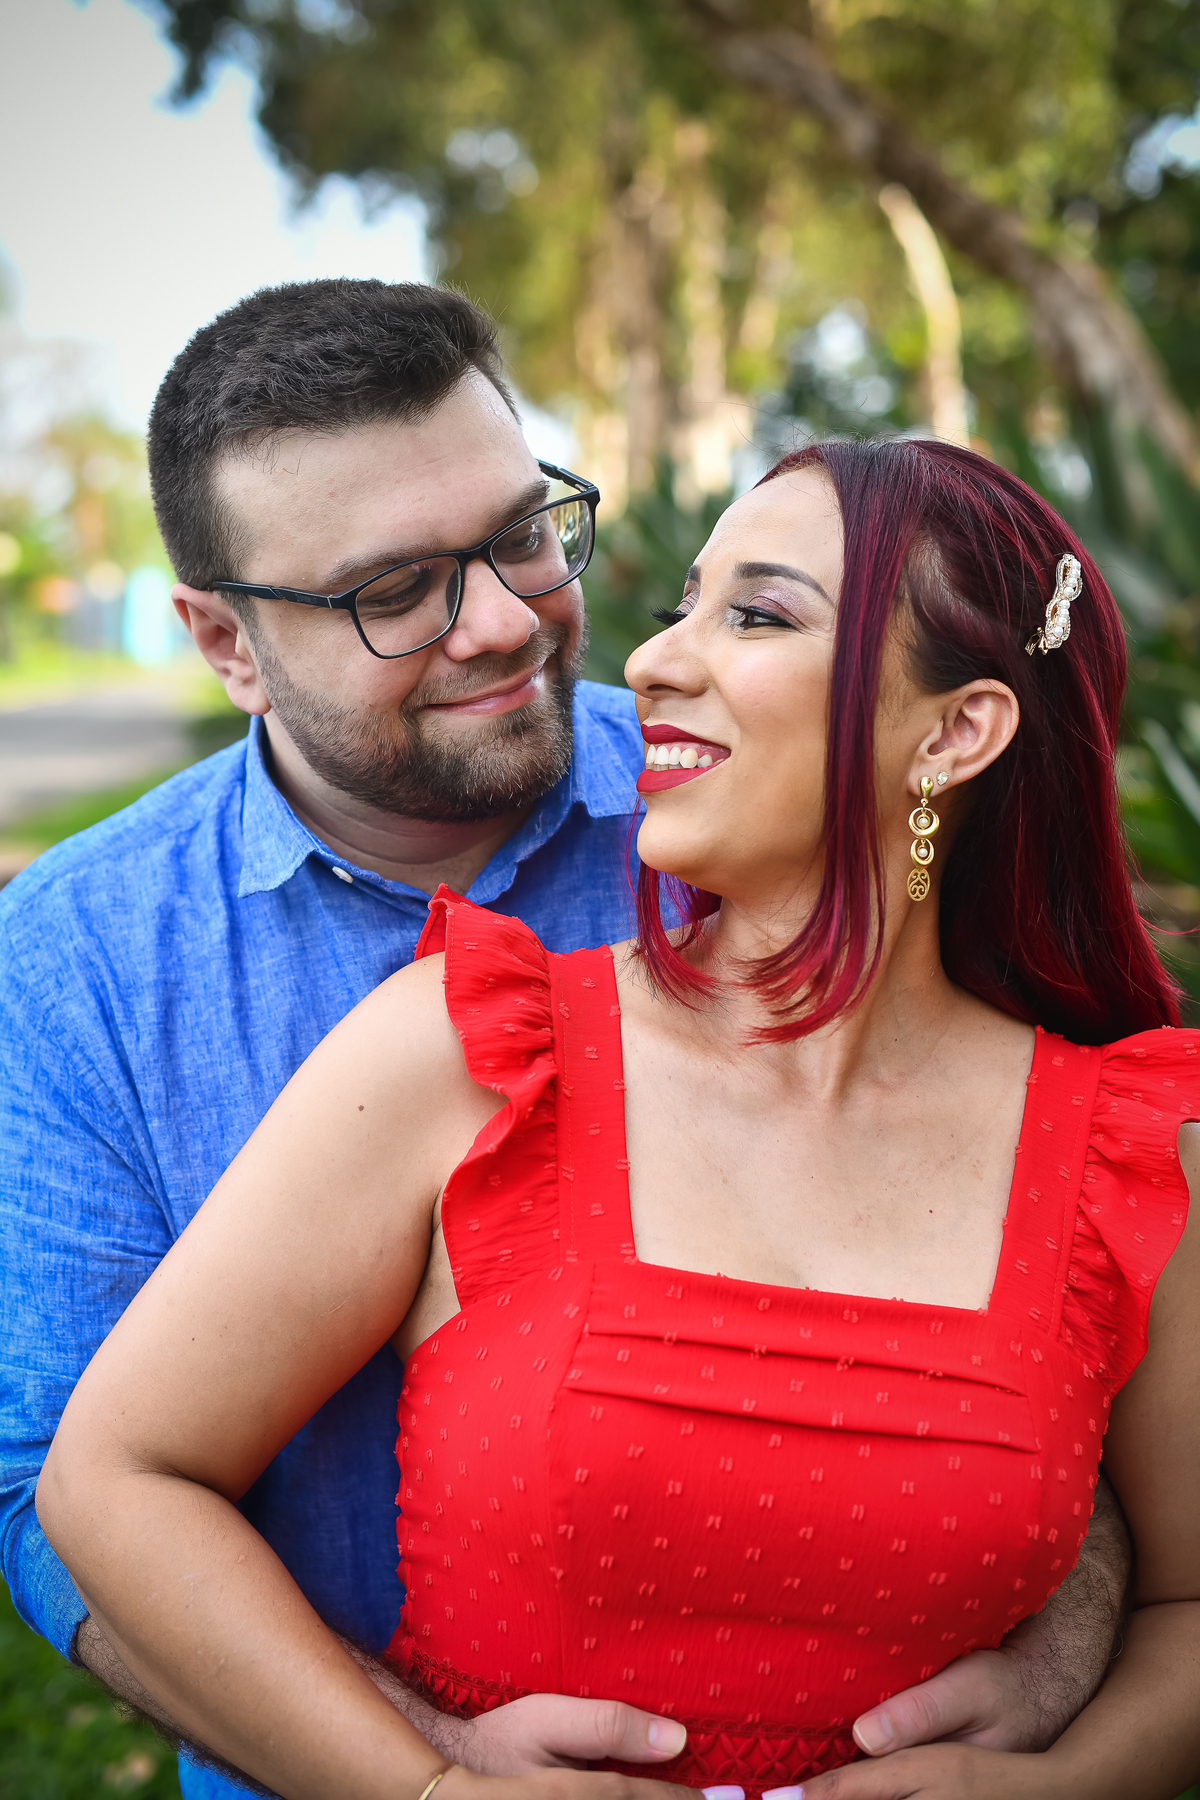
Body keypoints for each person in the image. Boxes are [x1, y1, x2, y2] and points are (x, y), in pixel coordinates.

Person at [0, 280, 1122, 1799]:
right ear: (226, 641)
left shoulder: (782, 801)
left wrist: (1065, 1667)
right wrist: (428, 1765)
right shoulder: (71, 962)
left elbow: (1053, 1303)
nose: (502, 621)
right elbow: (55, 1487)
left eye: (521, 533)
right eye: (394, 589)